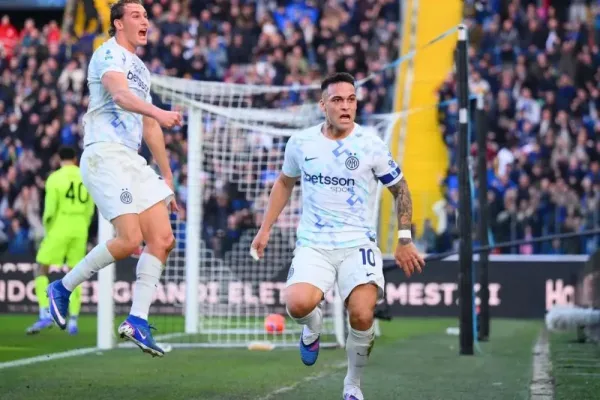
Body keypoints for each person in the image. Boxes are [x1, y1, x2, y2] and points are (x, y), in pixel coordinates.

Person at [251, 72, 425, 400]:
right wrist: (265, 228)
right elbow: (285, 182)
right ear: (323, 105)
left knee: (361, 313)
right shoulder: (301, 143)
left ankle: (352, 385)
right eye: (337, 100)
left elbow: (400, 188)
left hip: (357, 243)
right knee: (297, 304)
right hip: (314, 243)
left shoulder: (370, 144)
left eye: (351, 100)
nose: (346, 106)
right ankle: (312, 326)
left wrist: (404, 238)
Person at [46, 0, 182, 358]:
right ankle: (62, 287)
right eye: (136, 15)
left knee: (163, 239)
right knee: (130, 238)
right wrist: (159, 111)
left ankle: (137, 319)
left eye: (146, 16)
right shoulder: (107, 54)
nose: (145, 21)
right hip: (104, 154)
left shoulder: (142, 69)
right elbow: (121, 96)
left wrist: (167, 178)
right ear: (118, 23)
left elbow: (149, 126)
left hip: (132, 160)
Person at [26, 146, 95, 336]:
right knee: (76, 272)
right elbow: (90, 208)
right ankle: (73, 320)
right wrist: (83, 225)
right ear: (75, 159)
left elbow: (50, 210)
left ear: (59, 159)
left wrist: (49, 230)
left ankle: (45, 313)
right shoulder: (85, 176)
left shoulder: (55, 178)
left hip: (60, 225)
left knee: (41, 268)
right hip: (80, 227)